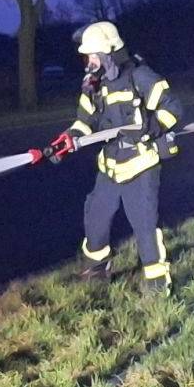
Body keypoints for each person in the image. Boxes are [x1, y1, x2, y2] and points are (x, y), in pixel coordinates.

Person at [46, 21, 182, 293]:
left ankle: (156, 284)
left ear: (109, 53)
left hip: (141, 165)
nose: (90, 61)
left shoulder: (140, 77)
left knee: (143, 226)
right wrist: (69, 139)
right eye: (88, 56)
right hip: (109, 167)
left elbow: (174, 108)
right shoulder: (92, 86)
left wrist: (153, 127)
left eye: (94, 55)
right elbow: (84, 121)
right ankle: (96, 270)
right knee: (95, 217)